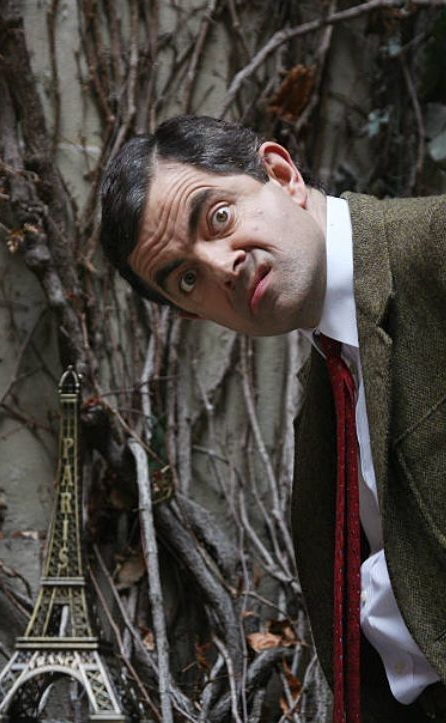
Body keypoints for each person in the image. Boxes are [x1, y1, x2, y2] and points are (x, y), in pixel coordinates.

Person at [100, 115, 446, 722]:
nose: (219, 265)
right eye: (186, 278)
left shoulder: (435, 248)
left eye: (218, 217)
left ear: (281, 174)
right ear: (191, 315)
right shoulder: (323, 404)